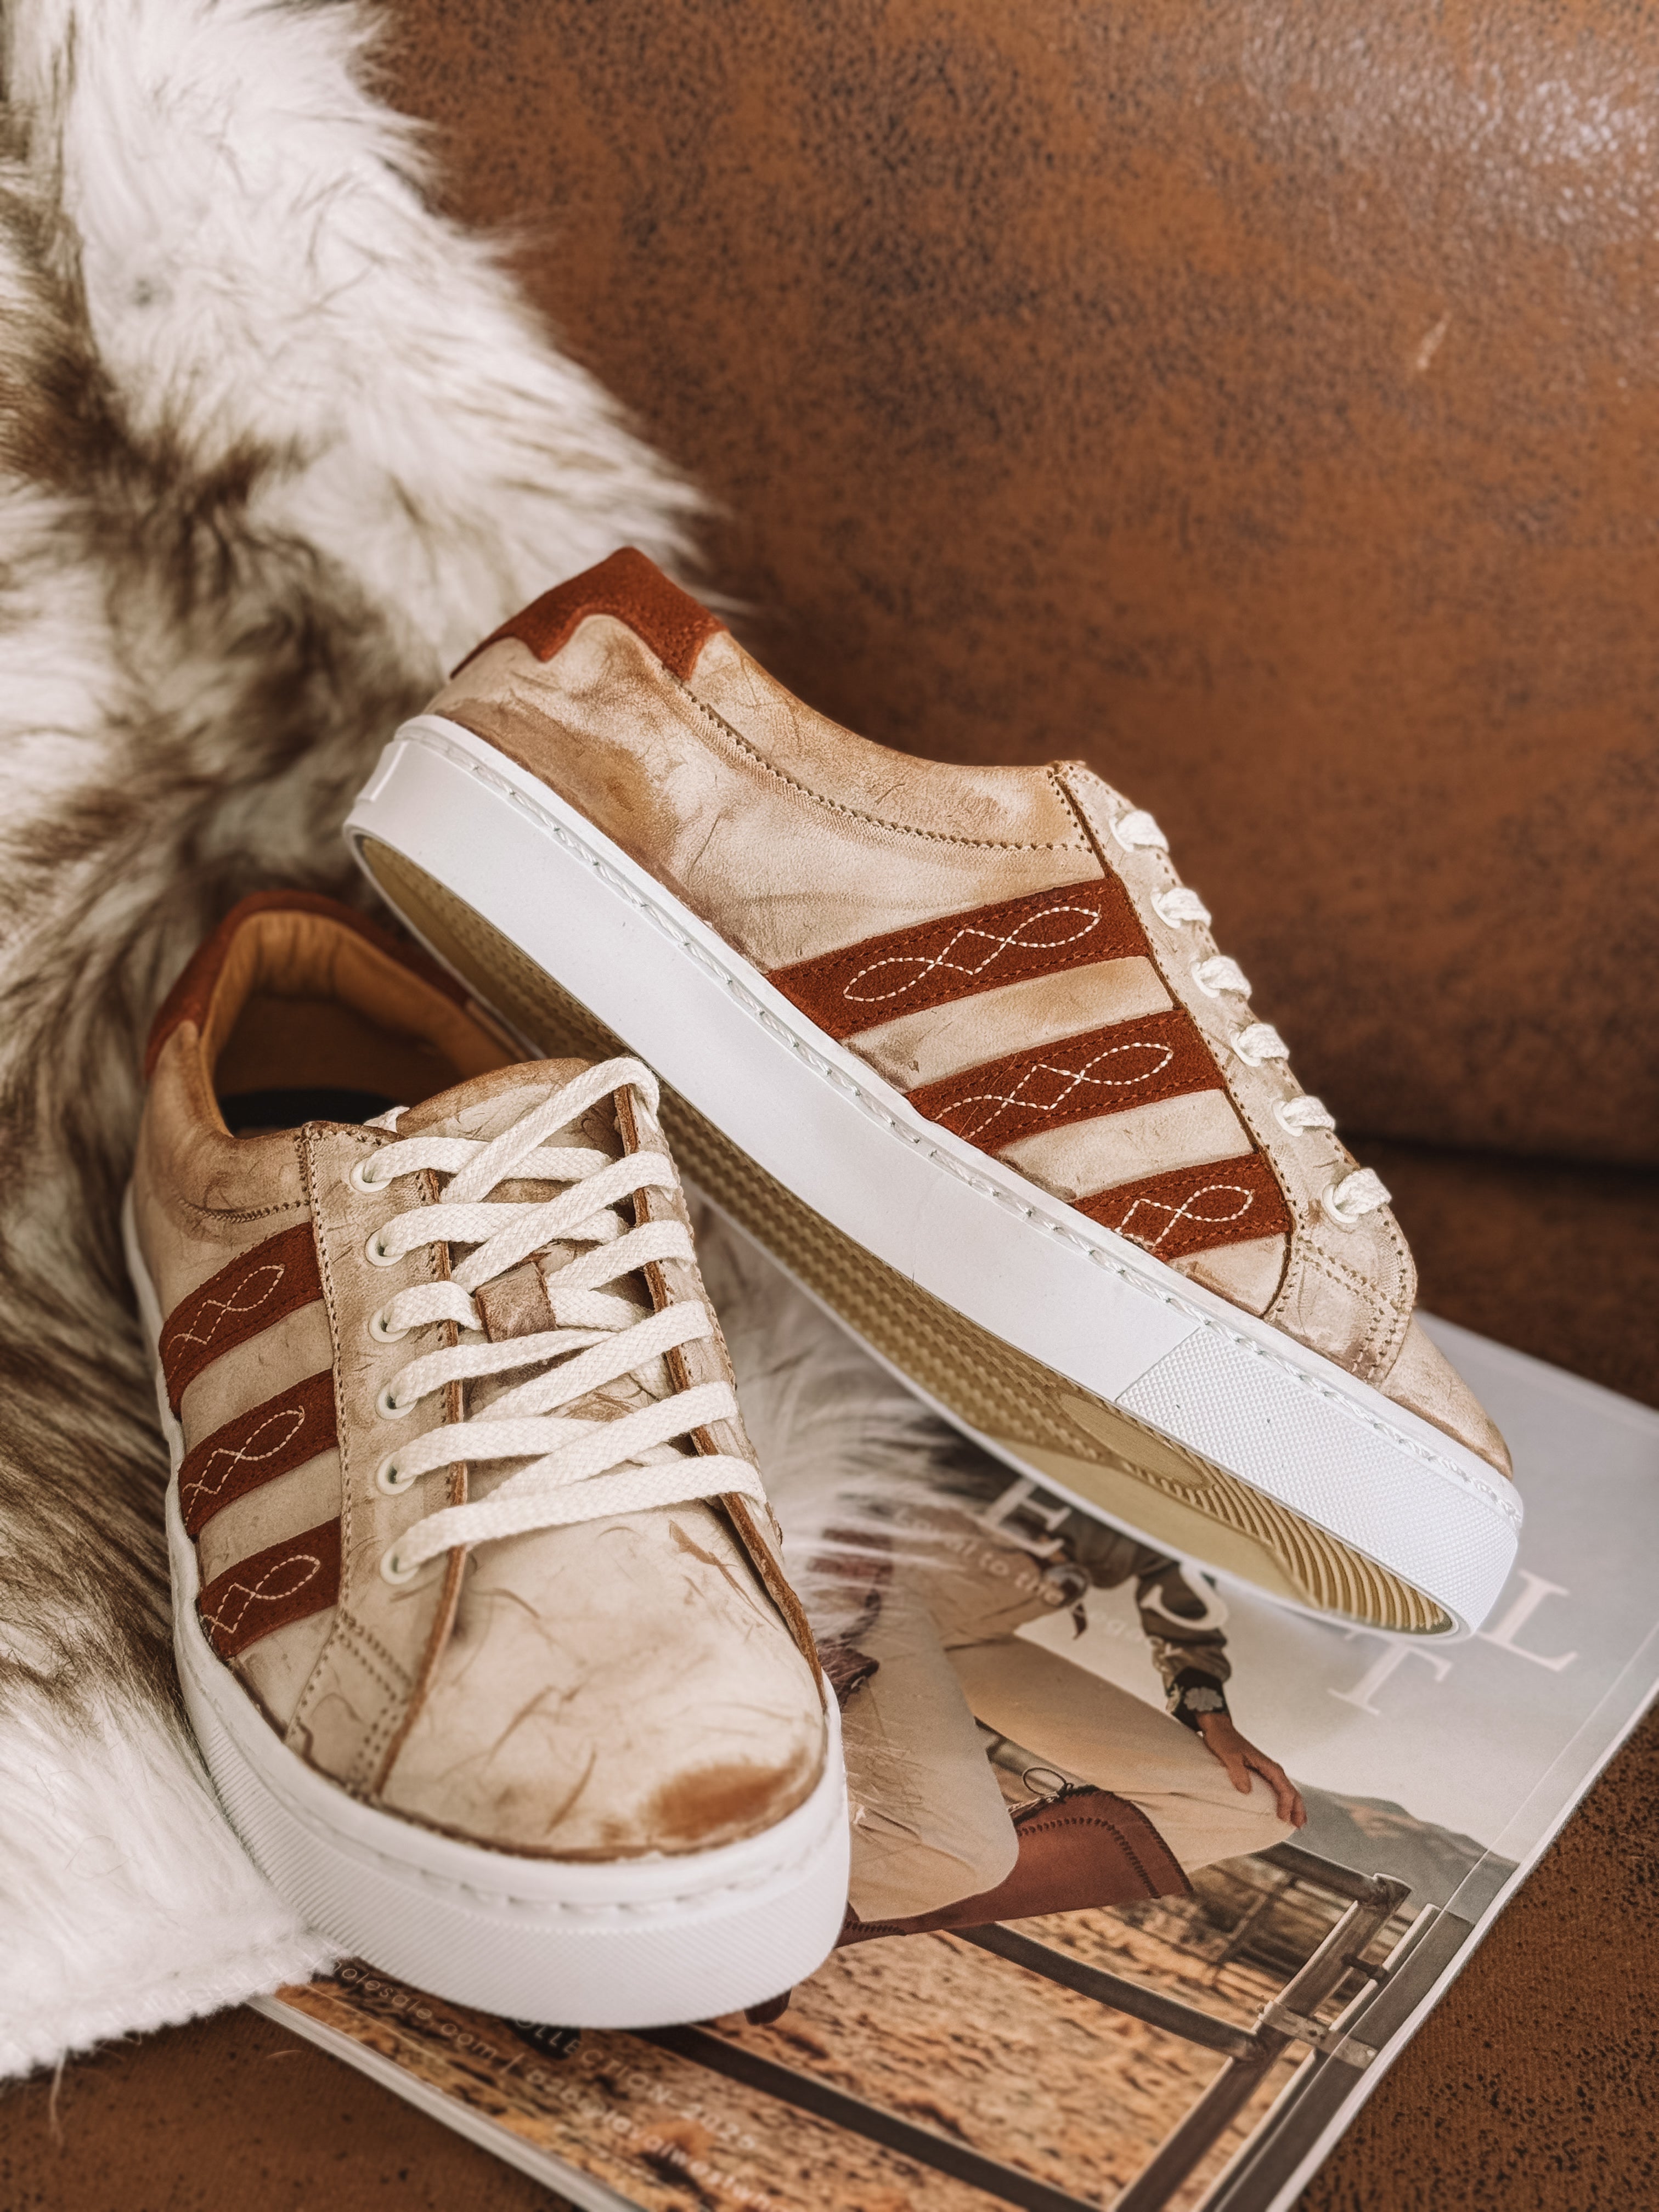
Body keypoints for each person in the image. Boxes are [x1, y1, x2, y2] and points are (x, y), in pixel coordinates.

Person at [825, 1467, 1307, 1929]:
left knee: (1252, 1808)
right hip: (879, 1592)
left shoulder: (1202, 1493)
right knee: (963, 1852)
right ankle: (789, 1917)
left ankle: (871, 1910)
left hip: (972, 1635)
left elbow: (1181, 1597)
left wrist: (1214, 1719)